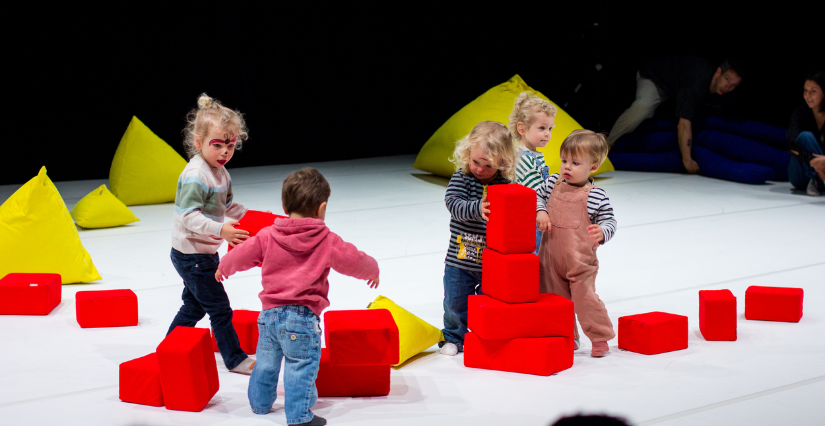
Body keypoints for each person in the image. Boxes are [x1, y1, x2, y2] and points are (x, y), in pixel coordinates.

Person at [216, 167, 380, 426]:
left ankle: (259, 404)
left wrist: (224, 267)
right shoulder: (326, 239)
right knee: (300, 366)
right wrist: (373, 270)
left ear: (284, 205)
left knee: (266, 364)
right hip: (302, 320)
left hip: (269, 317)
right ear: (322, 208)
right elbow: (353, 260)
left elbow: (242, 254)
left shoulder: (268, 235)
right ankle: (300, 416)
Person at [167, 93, 255, 375]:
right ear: (198, 143)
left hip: (203, 253)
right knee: (220, 309)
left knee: (194, 307)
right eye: (217, 145)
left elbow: (227, 205)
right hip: (191, 255)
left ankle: (169, 349)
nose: (224, 153)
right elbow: (189, 217)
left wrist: (256, 220)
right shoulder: (196, 175)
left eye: (230, 146)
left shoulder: (221, 172)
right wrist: (222, 230)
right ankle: (235, 359)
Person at [440, 121, 518, 356]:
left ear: (502, 163)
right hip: (459, 261)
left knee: (488, 304)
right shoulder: (462, 178)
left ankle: (484, 335)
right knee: (455, 302)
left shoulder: (505, 183)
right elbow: (453, 204)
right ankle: (454, 337)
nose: (480, 169)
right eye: (476, 162)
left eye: (488, 165)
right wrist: (477, 208)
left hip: (491, 262)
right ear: (467, 153)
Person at [537, 130, 616, 357]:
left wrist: (602, 231)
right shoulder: (552, 182)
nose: (566, 167)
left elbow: (609, 220)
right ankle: (566, 336)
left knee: (585, 300)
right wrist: (541, 211)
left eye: (574, 162)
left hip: (580, 261)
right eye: (564, 161)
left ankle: (600, 337)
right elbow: (537, 197)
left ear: (593, 167)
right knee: (555, 302)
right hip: (550, 259)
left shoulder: (595, 195)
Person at [608, 56, 744, 174]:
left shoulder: (725, 92)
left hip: (675, 89)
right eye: (727, 79)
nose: (728, 87)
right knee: (643, 107)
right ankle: (606, 145)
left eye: (733, 85)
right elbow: (684, 124)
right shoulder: (698, 81)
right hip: (654, 78)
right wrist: (687, 160)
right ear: (718, 72)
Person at [510, 91, 558, 255]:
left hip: (537, 216)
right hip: (533, 220)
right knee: (538, 255)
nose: (547, 133)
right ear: (522, 128)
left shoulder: (532, 155)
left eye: (550, 128)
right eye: (542, 128)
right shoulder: (525, 160)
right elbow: (536, 193)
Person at [787, 71, 825, 196]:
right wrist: (812, 158)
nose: (807, 95)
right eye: (805, 91)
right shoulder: (800, 114)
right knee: (805, 136)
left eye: (813, 91)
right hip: (800, 175)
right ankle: (816, 180)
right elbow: (791, 145)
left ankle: (818, 181)